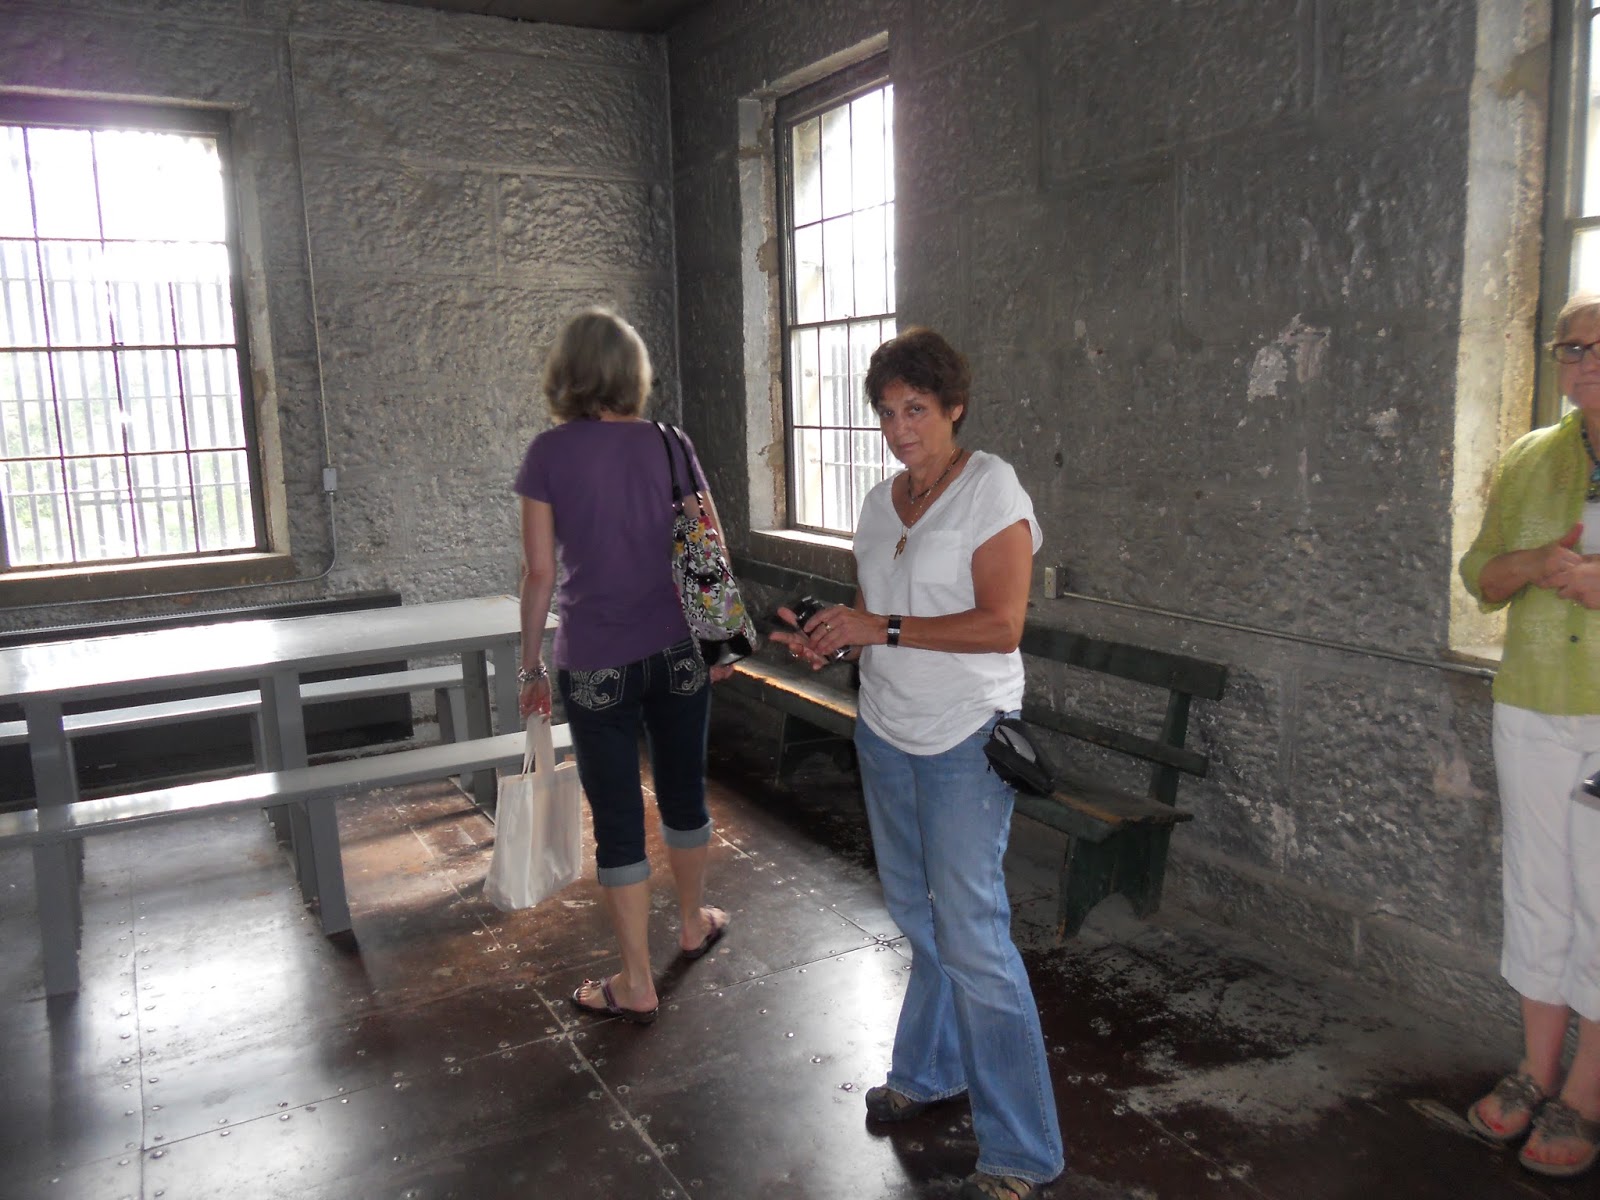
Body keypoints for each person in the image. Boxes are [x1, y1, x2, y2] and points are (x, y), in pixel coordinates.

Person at [771, 328, 1064, 1200]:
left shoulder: (990, 489)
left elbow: (1002, 623)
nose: (901, 429)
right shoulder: (877, 501)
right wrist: (833, 639)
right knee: (915, 912)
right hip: (887, 729)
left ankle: (1021, 1150)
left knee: (972, 935)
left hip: (966, 734)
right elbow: (871, 609)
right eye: (888, 413)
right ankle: (932, 1070)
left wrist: (880, 630)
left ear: (953, 408)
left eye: (917, 411)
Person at [511, 307, 730, 1026]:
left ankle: (637, 981)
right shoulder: (670, 441)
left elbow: (540, 574)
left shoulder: (547, 455)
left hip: (596, 661)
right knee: (683, 793)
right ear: (633, 374)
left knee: (617, 820)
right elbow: (709, 543)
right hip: (677, 651)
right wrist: (719, 638)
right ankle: (693, 920)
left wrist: (529, 667)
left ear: (566, 374)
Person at [1459, 290, 1600, 1178]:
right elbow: (1481, 574)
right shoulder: (1530, 456)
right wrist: (1536, 567)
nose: (1583, 360)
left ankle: (1585, 1094)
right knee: (1538, 890)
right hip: (1535, 699)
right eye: (1569, 346)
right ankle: (1534, 1069)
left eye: (1599, 345)